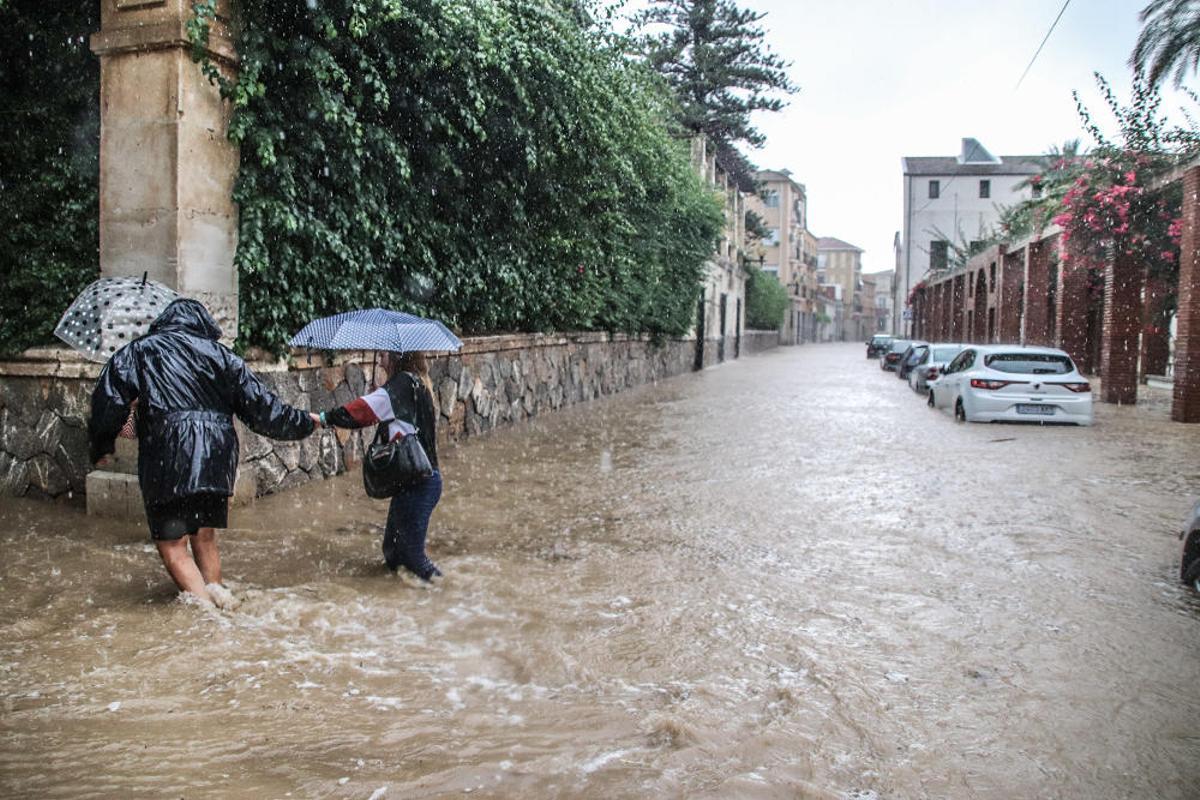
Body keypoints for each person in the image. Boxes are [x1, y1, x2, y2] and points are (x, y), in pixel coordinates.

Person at [89, 299, 316, 608]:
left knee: (172, 546)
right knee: (204, 535)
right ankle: (220, 595)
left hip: (168, 457)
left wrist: (102, 446)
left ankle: (209, 619)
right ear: (204, 325)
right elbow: (263, 408)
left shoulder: (140, 351)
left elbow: (108, 401)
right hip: (216, 460)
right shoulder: (223, 357)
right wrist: (303, 422)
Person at [316, 351, 443, 581]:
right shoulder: (416, 383)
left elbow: (360, 413)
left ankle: (445, 593)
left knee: (414, 558)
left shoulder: (402, 384)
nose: (379, 357)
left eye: (383, 353)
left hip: (420, 484)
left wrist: (324, 418)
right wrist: (382, 393)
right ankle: (406, 605)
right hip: (417, 480)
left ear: (397, 357)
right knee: (393, 553)